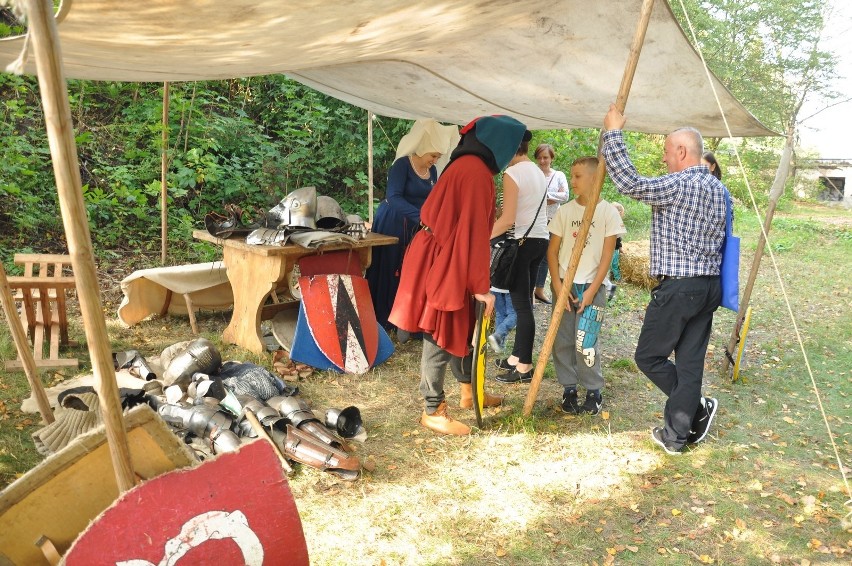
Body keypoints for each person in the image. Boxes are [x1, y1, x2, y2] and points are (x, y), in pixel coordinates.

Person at [389, 115, 528, 435]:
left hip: (442, 251)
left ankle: (469, 392)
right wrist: (481, 286)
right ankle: (432, 409)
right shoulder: (476, 174)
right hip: (443, 256)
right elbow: (473, 235)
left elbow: (470, 233)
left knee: (463, 325)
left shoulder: (465, 166)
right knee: (441, 327)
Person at [602, 103, 725, 454]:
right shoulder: (720, 190)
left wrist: (614, 132)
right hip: (708, 287)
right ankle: (675, 437)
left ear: (682, 151)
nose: (665, 160)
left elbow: (630, 183)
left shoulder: (680, 184)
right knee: (689, 362)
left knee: (649, 357)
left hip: (679, 287)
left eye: (667, 153)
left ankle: (695, 406)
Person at [366, 119, 459, 337]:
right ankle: (384, 319)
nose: (435, 160)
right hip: (393, 222)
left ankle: (407, 322)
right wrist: (423, 218)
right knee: (390, 268)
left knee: (411, 271)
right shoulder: (402, 165)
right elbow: (394, 197)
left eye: (437, 156)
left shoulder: (433, 171)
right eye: (433, 155)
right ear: (423, 148)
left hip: (417, 227)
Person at [547, 157, 625, 415]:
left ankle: (593, 391)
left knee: (586, 341)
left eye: (578, 176)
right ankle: (569, 388)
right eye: (572, 175)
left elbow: (607, 256)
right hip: (565, 288)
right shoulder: (565, 211)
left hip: (592, 287)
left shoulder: (607, 213)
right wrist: (558, 286)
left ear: (595, 178)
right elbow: (552, 251)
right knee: (563, 341)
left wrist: (592, 291)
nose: (573, 181)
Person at [491, 137, 550, 384]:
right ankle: (517, 357)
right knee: (525, 304)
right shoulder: (537, 171)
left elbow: (508, 219)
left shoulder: (513, 172)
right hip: (539, 241)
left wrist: (483, 238)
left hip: (522, 244)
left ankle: (524, 367)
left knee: (522, 307)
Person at [532, 143, 570, 304]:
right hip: (534, 220)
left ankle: (539, 289)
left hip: (552, 221)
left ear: (551, 158)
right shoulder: (533, 174)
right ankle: (529, 291)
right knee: (533, 255)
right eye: (539, 157)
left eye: (545, 157)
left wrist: (545, 195)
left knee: (548, 256)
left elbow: (565, 195)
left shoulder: (559, 175)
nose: (542, 161)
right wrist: (550, 197)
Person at [604, 201, 626, 302]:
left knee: (613, 264)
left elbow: (619, 239)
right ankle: (613, 279)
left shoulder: (614, 222)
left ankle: (617, 278)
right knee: (610, 264)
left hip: (612, 249)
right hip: (609, 248)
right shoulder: (610, 222)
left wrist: (620, 247)